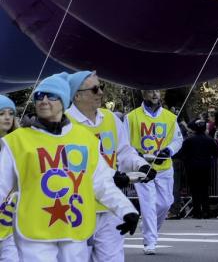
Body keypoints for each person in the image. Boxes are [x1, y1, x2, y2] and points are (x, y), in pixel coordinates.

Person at [0, 74, 139, 260]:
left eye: (52, 96)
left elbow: (101, 182)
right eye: (39, 96)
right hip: (35, 232)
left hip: (74, 229)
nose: (44, 101)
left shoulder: (85, 139)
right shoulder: (16, 141)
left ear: (64, 101)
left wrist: (126, 210)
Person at [61, 70, 152, 260]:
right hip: (76, 209)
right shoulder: (65, 124)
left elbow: (124, 151)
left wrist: (141, 166)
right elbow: (71, 166)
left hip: (110, 207)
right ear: (77, 95)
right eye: (95, 89)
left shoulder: (110, 119)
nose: (101, 93)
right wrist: (113, 175)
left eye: (101, 87)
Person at [126, 88, 182, 254]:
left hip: (164, 168)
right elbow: (124, 141)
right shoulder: (131, 117)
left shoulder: (170, 117)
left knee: (166, 203)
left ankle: (148, 227)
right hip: (142, 169)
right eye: (151, 92)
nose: (155, 94)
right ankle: (150, 241)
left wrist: (169, 150)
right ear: (143, 94)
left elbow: (178, 139)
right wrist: (136, 154)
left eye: (157, 91)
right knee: (148, 204)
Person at [0, 95, 17, 262]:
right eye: (1, 113)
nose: (7, 117)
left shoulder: (20, 145)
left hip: (11, 222)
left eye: (11, 113)